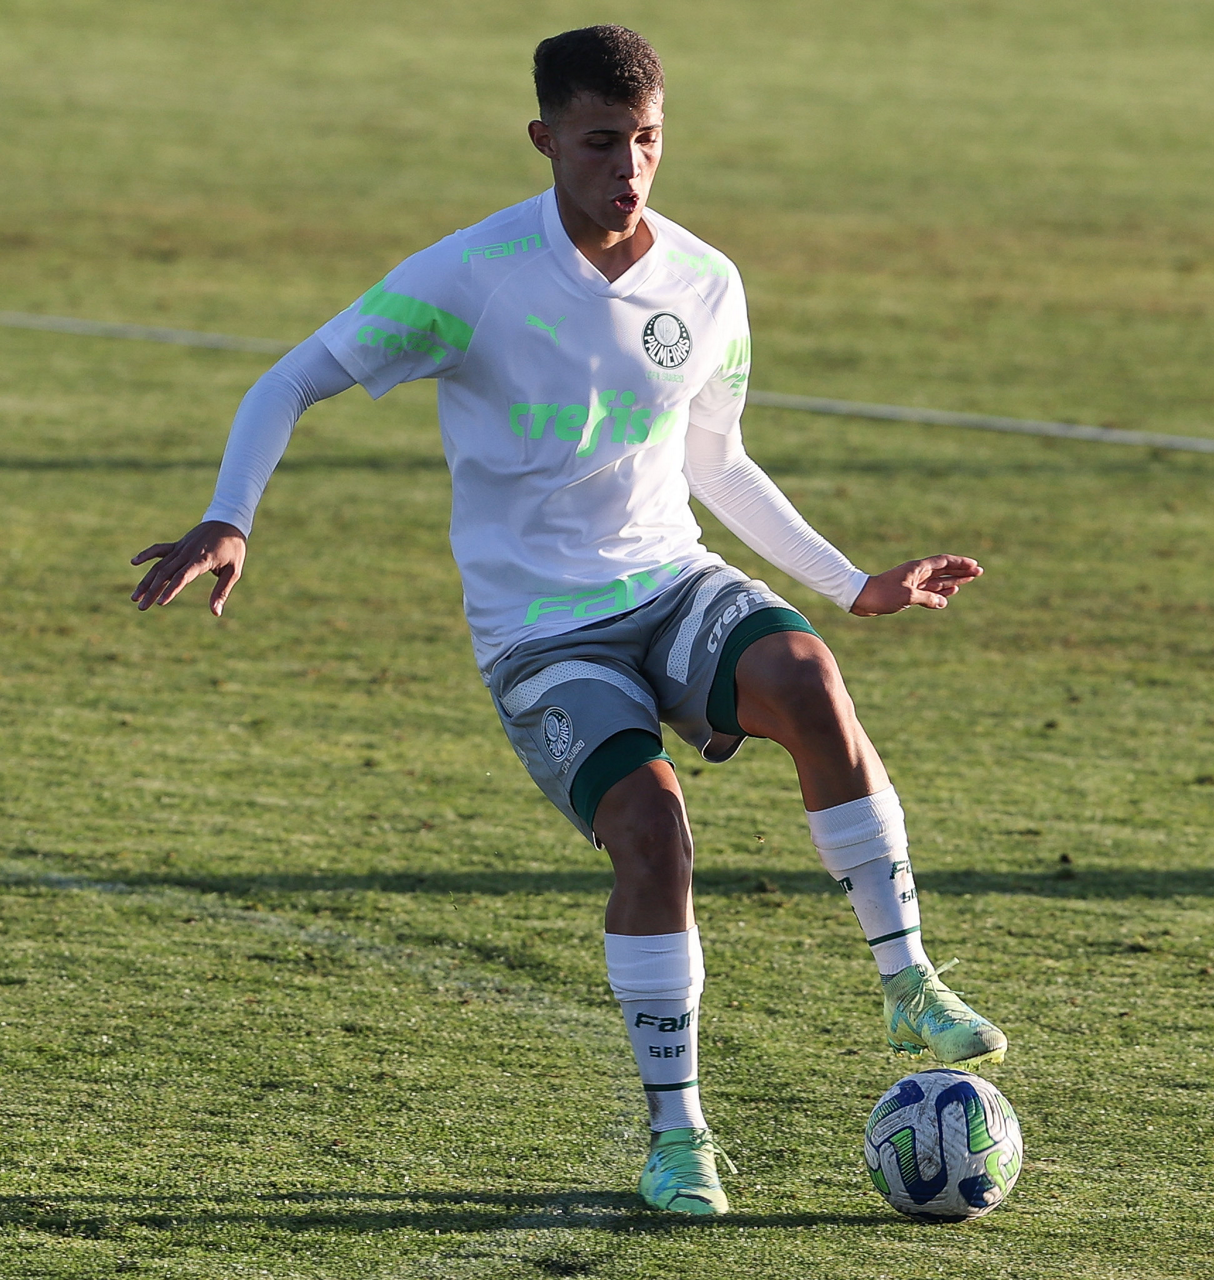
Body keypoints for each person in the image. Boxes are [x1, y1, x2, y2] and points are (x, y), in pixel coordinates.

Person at [131, 25, 1006, 1216]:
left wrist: (851, 581)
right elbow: (290, 378)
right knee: (652, 828)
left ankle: (908, 983)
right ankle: (678, 1138)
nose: (627, 166)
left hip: (669, 580)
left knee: (806, 673)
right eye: (600, 142)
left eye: (646, 139)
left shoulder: (704, 280)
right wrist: (230, 515)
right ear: (544, 139)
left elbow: (717, 458)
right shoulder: (468, 276)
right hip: (542, 631)